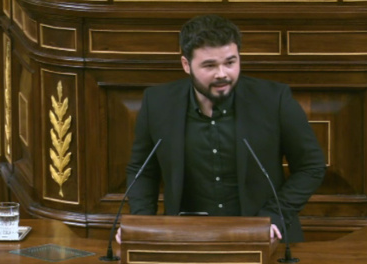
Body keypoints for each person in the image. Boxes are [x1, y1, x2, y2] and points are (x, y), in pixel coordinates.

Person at [116, 14, 326, 244]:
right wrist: (143, 225)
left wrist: (275, 216)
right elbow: (142, 170)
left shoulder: (274, 100)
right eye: (209, 65)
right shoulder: (157, 103)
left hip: (262, 237)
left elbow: (310, 166)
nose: (222, 74)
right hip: (186, 238)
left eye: (230, 62)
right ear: (186, 65)